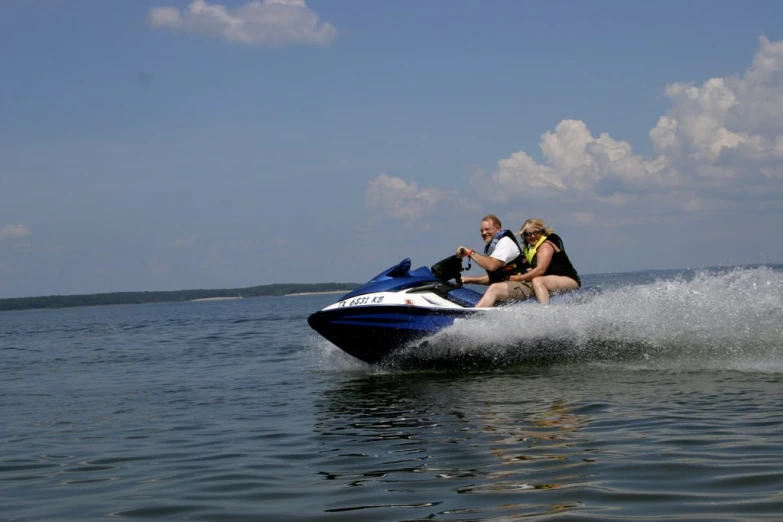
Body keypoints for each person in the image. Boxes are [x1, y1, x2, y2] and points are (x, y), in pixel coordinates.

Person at [477, 218, 581, 306]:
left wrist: (519, 278)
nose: (532, 236)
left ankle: (545, 312)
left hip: (569, 280)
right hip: (550, 280)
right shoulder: (528, 248)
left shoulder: (545, 246)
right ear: (524, 236)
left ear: (542, 232)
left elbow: (540, 270)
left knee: (538, 281)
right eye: (528, 234)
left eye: (535, 233)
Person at [456, 214, 527, 307]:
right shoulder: (493, 247)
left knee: (494, 289)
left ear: (498, 229)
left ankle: (472, 318)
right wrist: (467, 279)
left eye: (487, 229)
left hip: (525, 285)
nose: (484, 233)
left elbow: (491, 266)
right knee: (489, 292)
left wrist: (470, 252)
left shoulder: (505, 242)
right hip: (513, 286)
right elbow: (495, 277)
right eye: (482, 230)